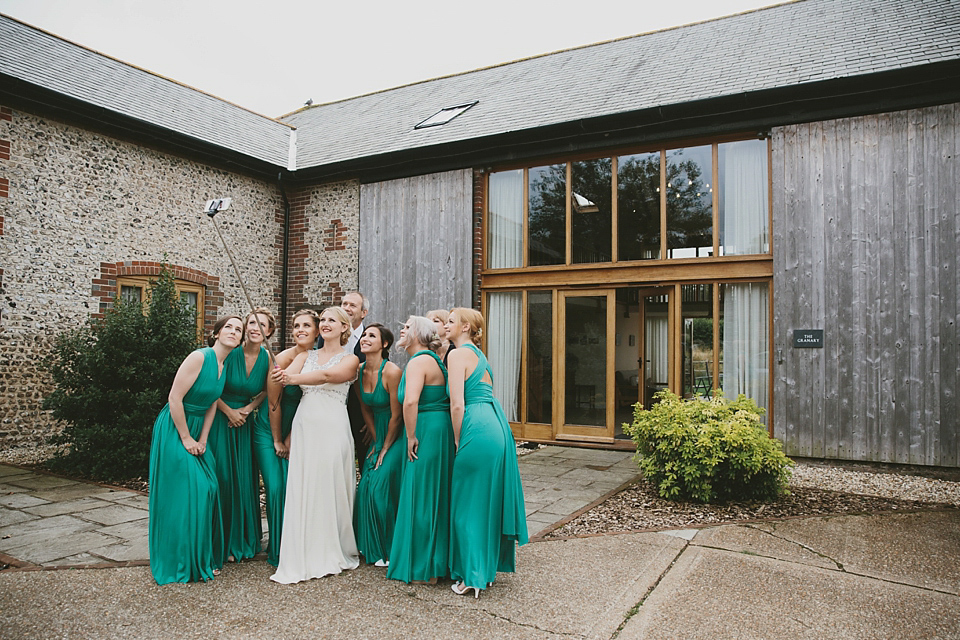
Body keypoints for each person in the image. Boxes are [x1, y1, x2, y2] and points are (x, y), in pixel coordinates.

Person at [148, 315, 242, 584]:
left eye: (239, 329)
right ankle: (179, 560)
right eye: (228, 327)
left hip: (198, 428)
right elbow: (174, 398)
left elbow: (212, 403)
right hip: (175, 427)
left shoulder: (224, 365)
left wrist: (203, 439)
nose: (233, 332)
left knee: (210, 487)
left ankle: (198, 556)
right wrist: (187, 438)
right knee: (194, 490)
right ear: (216, 333)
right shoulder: (199, 357)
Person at [270, 306, 361, 583]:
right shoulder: (306, 356)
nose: (325, 324)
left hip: (333, 426)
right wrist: (279, 374)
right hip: (306, 425)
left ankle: (333, 547)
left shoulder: (350, 360)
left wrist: (291, 378)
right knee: (305, 484)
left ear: (345, 327)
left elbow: (327, 377)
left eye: (331, 320)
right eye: (322, 320)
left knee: (328, 483)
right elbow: (283, 378)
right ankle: (303, 549)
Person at [445, 307, 528, 598]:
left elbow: (457, 404)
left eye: (451, 321)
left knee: (466, 505)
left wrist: (458, 441)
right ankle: (485, 571)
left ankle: (472, 576)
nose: (446, 325)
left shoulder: (456, 355)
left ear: (466, 326)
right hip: (495, 425)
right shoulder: (480, 356)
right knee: (485, 503)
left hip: (475, 427)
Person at [386, 316, 454, 585]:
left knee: (424, 494)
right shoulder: (428, 359)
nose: (401, 330)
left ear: (418, 334)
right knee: (428, 492)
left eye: (406, 327)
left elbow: (411, 401)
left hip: (426, 430)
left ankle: (426, 567)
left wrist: (411, 435)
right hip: (432, 428)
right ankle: (429, 564)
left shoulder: (420, 360)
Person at [208, 308, 273, 565]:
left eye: (262, 325)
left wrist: (247, 409)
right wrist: (229, 411)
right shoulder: (230, 352)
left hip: (244, 423)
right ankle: (222, 541)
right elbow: (210, 386)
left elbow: (268, 390)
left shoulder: (267, 358)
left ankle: (244, 539)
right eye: (251, 324)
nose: (255, 328)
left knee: (243, 480)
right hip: (220, 420)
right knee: (223, 477)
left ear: (269, 332)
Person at [257, 309, 318, 567]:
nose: (300, 329)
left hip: (298, 429)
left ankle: (296, 542)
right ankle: (278, 549)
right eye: (296, 325)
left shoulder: (317, 358)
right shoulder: (281, 358)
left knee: (297, 485)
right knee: (276, 486)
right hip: (270, 428)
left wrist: (294, 434)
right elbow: (273, 403)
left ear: (317, 331)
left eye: (306, 325)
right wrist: (278, 439)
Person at [352, 323, 404, 567]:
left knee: (380, 487)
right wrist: (375, 439)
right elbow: (365, 409)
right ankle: (368, 546)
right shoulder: (359, 371)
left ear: (384, 345)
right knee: (365, 488)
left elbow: (398, 414)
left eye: (371, 335)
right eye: (364, 335)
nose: (364, 338)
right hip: (377, 433)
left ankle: (389, 547)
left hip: (396, 434)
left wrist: (385, 446)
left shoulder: (392, 372)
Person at [319, 292, 372, 474]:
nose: (346, 308)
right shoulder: (324, 338)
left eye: (352, 305)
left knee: (365, 459)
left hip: (360, 412)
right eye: (344, 304)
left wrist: (370, 414)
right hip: (330, 409)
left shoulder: (372, 337)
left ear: (363, 313)